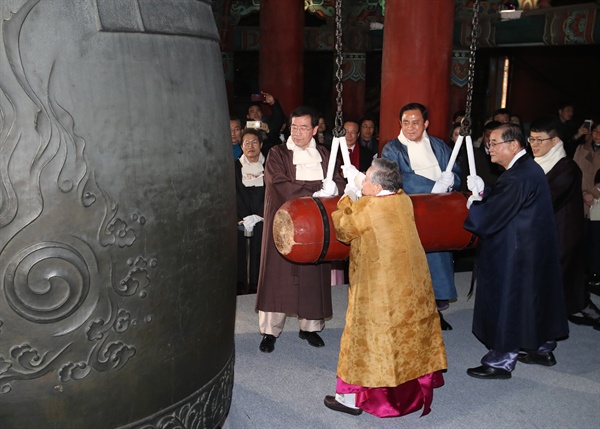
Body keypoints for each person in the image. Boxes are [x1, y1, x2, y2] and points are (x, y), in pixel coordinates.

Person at [325, 158, 447, 418]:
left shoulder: (368, 208)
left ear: (378, 188)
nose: (363, 182)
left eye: (368, 179)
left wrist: (347, 196)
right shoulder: (403, 199)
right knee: (408, 333)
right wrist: (359, 180)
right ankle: (411, 389)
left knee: (366, 337)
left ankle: (350, 398)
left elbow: (343, 228)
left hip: (377, 286)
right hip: (411, 283)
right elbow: (370, 187)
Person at [464, 123, 569, 380]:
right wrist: (485, 192)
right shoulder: (526, 169)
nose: (490, 149)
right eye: (489, 143)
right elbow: (509, 203)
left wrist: (473, 204)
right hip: (533, 248)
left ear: (514, 145)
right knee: (532, 299)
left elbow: (492, 215)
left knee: (508, 302)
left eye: (495, 143)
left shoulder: (517, 176)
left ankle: (501, 360)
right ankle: (541, 349)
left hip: (515, 252)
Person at [255, 106, 345, 353]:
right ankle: (269, 331)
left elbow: (339, 180)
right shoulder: (278, 153)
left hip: (315, 226)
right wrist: (316, 192)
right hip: (284, 221)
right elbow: (278, 183)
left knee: (313, 277)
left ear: (315, 130)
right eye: (294, 127)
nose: (298, 132)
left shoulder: (325, 154)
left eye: (304, 127)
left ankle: (310, 327)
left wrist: (333, 190)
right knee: (277, 275)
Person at [381, 102, 460, 318]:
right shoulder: (392, 148)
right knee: (410, 262)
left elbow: (455, 171)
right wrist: (432, 186)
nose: (411, 127)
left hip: (438, 212)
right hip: (409, 212)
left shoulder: (438, 145)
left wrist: (451, 181)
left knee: (438, 257)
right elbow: (394, 177)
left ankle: (435, 310)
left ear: (425, 123)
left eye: (416, 122)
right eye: (406, 122)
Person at [530, 116, 600, 328]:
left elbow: (547, 199)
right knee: (564, 281)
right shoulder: (537, 163)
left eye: (540, 139)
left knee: (557, 281)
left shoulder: (566, 167)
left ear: (555, 141)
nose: (534, 144)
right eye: (531, 139)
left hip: (562, 235)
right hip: (547, 232)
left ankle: (544, 337)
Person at [235, 128, 266, 295]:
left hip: (262, 218)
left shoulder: (269, 166)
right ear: (241, 146)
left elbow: (272, 192)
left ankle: (259, 284)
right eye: (246, 142)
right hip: (240, 218)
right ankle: (241, 285)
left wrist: (260, 215)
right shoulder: (234, 167)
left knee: (261, 241)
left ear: (261, 145)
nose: (251, 146)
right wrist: (241, 217)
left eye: (254, 142)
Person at [573, 120, 600, 290]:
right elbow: (574, 171)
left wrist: (594, 193)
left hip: (598, 200)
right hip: (581, 198)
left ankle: (596, 273)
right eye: (596, 131)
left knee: (596, 237)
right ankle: (582, 271)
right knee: (581, 234)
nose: (597, 134)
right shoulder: (581, 149)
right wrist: (583, 194)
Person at [459, 120, 504, 192]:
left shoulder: (507, 156)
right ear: (483, 135)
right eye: (488, 136)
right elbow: (464, 182)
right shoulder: (471, 155)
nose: (490, 142)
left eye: (495, 139)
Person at [246, 91, 285, 156]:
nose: (256, 114)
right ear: (248, 116)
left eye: (258, 111)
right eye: (252, 112)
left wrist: (268, 131)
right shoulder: (245, 127)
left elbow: (278, 117)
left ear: (262, 113)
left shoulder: (268, 124)